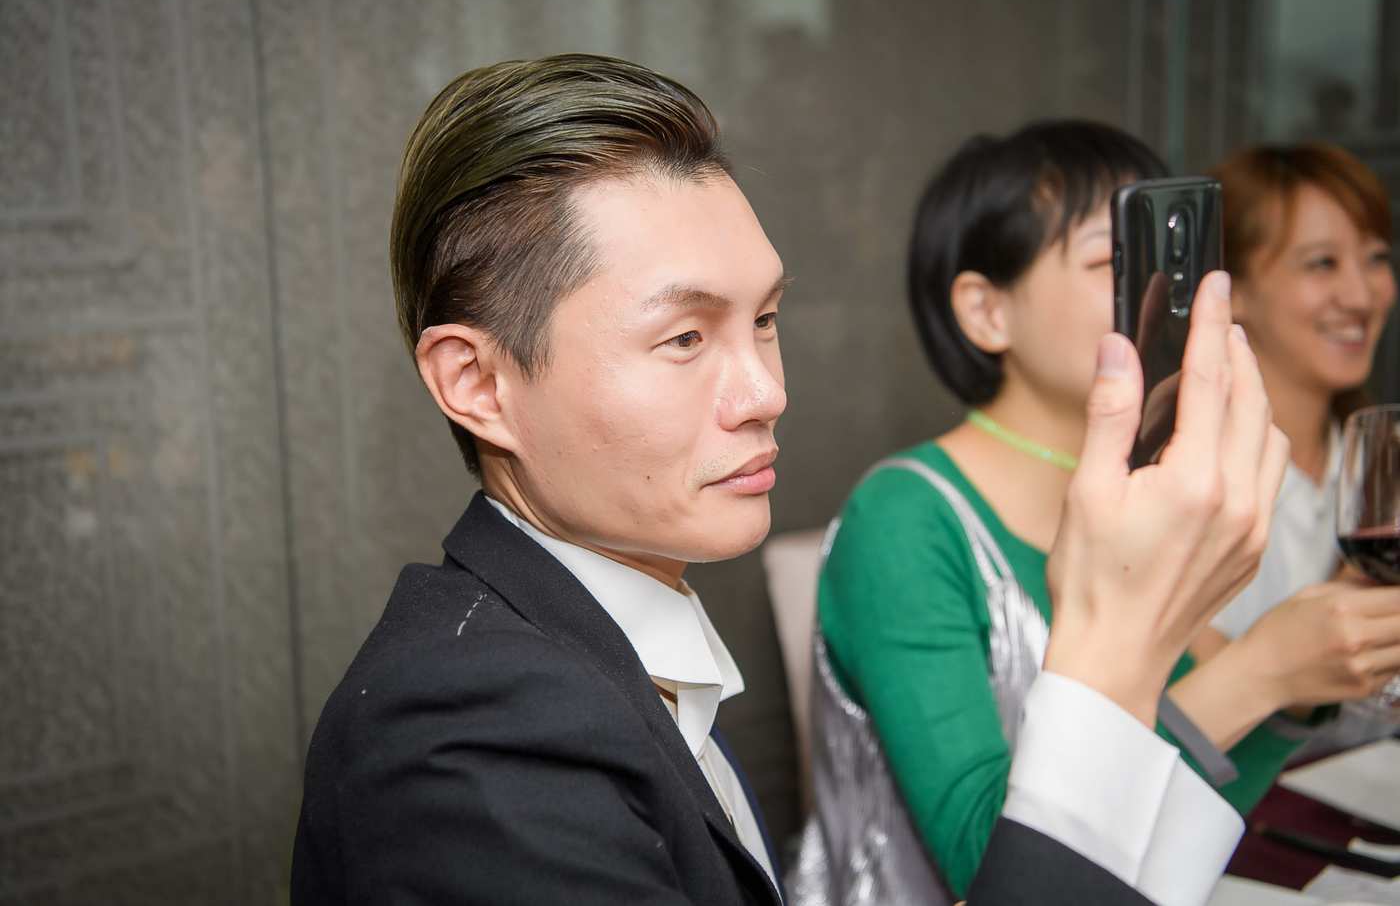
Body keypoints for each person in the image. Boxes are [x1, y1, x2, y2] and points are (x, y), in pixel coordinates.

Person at [290, 58, 1285, 906]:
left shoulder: (589, 649)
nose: (767, 391)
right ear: (479, 384)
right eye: (684, 337)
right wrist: (1114, 651)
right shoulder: (467, 737)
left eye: (763, 320)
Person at [798, 121, 1400, 906]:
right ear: (986, 311)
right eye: (1114, 261)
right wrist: (1261, 673)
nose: (1158, 291)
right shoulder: (902, 519)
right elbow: (989, 871)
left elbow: (1188, 800)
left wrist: (1291, 687)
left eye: (1162, 258)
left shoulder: (1142, 492)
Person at [1200, 144, 1400, 749]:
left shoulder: (1380, 466)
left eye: (1376, 258)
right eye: (1322, 264)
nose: (1361, 296)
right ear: (1230, 290)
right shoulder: (1186, 482)